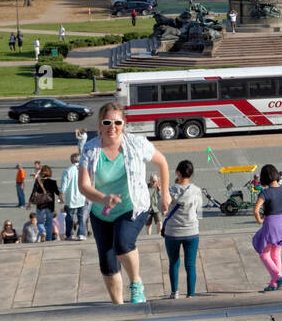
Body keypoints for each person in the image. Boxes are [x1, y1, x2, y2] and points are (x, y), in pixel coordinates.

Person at [77, 102, 172, 305]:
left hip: (132, 206)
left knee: (122, 244)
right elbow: (83, 186)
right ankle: (118, 306)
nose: (113, 126)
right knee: (108, 264)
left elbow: (162, 162)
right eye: (107, 122)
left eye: (117, 122)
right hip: (100, 212)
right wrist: (104, 198)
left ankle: (136, 283)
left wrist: (164, 194)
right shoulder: (90, 148)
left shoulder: (136, 144)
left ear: (124, 124)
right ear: (100, 125)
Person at [252, 164, 282, 292]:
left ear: (264, 178)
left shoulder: (265, 192)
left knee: (264, 254)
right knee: (276, 253)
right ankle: (274, 284)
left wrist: (260, 219)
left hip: (271, 223)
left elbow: (256, 210)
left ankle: (279, 277)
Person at [164, 161, 203, 298]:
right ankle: (190, 294)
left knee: (173, 263)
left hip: (172, 232)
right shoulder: (197, 191)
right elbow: (200, 214)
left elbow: (162, 208)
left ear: (178, 173)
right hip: (191, 231)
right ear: (191, 174)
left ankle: (174, 292)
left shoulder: (169, 190)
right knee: (190, 265)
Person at [59, 153, 88, 241]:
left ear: (72, 160)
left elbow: (63, 187)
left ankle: (70, 234)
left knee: (69, 216)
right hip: (82, 197)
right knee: (82, 216)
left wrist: (60, 196)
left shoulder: (68, 171)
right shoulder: (84, 169)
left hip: (70, 198)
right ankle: (81, 234)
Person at [30, 165, 60, 240]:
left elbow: (33, 192)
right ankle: (48, 239)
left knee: (40, 222)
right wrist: (61, 198)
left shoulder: (38, 181)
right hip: (50, 205)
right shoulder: (53, 182)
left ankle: (43, 231)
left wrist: (29, 203)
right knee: (49, 223)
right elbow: (57, 192)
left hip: (40, 205)